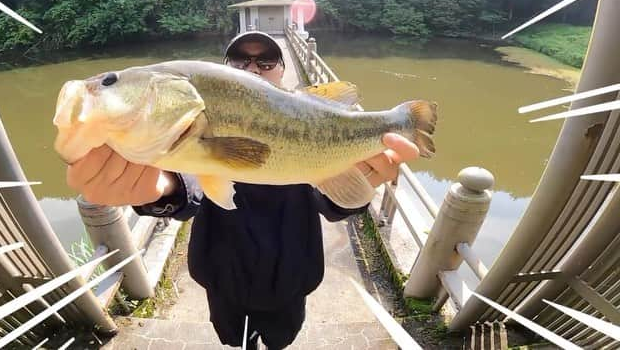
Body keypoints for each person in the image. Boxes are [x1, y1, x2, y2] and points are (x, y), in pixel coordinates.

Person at [66, 31, 420, 349]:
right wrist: (161, 190)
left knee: (282, 339)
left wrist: (359, 186)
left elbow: (328, 202)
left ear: (282, 71)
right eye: (240, 60)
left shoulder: (299, 120)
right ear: (227, 68)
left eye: (266, 61)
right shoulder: (190, 132)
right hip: (223, 284)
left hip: (291, 283)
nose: (253, 67)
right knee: (233, 340)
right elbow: (189, 188)